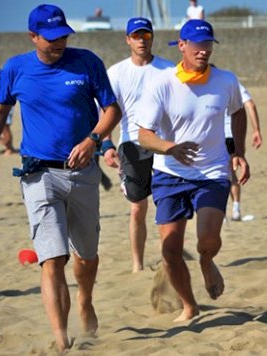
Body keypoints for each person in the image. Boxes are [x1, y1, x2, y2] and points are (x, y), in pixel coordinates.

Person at [0, 4, 121, 352]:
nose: (58, 42)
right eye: (50, 38)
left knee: (87, 256)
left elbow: (112, 109)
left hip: (82, 173)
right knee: (52, 259)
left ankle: (86, 299)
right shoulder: (16, 69)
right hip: (38, 174)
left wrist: (92, 141)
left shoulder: (87, 62)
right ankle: (62, 339)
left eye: (62, 35)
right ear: (33, 36)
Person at [136, 19, 249, 321]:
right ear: (182, 46)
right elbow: (143, 134)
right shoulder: (162, 83)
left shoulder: (226, 80)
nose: (204, 51)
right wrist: (169, 147)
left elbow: (238, 112)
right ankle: (189, 305)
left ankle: (206, 260)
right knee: (170, 249)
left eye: (208, 45)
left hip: (212, 172)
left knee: (208, 241)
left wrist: (238, 151)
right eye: (198, 45)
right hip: (169, 173)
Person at [103, 17, 175, 273]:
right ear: (127, 39)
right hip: (131, 145)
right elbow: (106, 112)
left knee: (166, 205)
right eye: (136, 36)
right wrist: (107, 145)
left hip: (163, 143)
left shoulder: (169, 70)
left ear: (152, 38)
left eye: (145, 36)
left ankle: (169, 260)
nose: (141, 40)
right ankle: (138, 265)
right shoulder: (116, 73)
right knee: (137, 208)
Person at [224, 82, 262, 221]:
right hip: (233, 137)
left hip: (214, 138)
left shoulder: (204, 85)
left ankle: (218, 212)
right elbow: (250, 105)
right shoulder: (231, 83)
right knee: (232, 173)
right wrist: (256, 130)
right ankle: (236, 210)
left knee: (218, 175)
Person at [0, 66, 16, 155]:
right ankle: (4, 147)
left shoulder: (3, 81)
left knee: (5, 129)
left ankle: (9, 148)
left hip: (6, 108)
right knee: (1, 129)